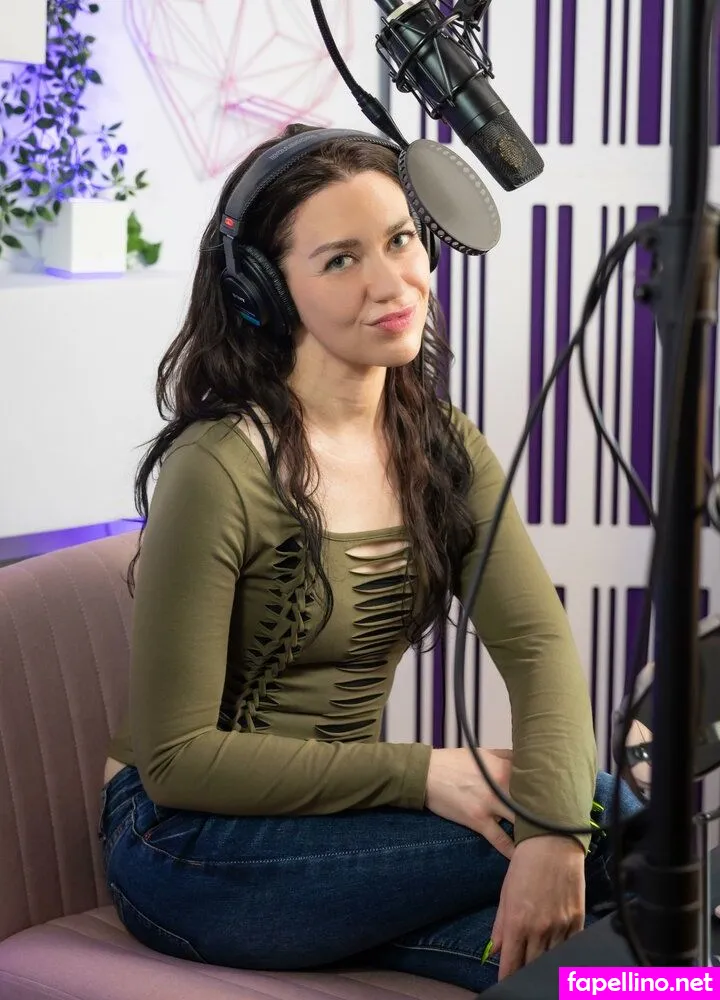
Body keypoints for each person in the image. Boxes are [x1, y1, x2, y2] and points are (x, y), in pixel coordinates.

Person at [99, 123, 640, 993]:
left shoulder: (440, 444)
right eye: (341, 260)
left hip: (343, 835)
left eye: (399, 240)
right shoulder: (218, 467)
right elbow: (178, 758)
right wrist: (427, 774)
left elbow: (538, 646)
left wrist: (551, 833)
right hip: (186, 846)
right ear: (266, 292)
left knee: (629, 956)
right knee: (621, 821)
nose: (392, 284)